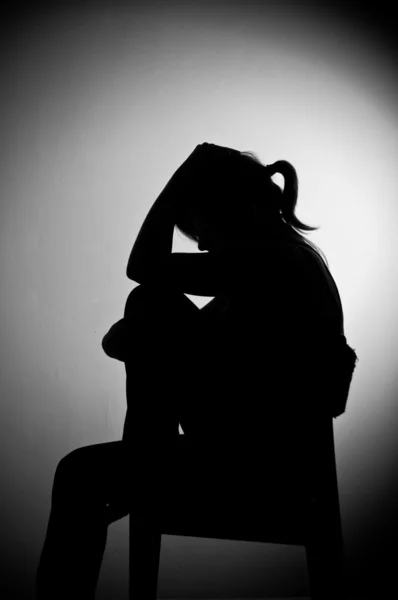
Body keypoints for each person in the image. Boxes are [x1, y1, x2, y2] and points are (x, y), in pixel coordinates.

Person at [35, 143, 358, 599]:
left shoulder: (276, 263)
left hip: (259, 469)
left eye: (202, 226)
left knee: (79, 473)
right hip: (251, 452)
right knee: (150, 303)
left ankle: (143, 463)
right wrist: (144, 335)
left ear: (238, 208)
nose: (203, 244)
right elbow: (125, 335)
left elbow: (142, 268)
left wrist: (180, 179)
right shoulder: (274, 269)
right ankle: (144, 461)